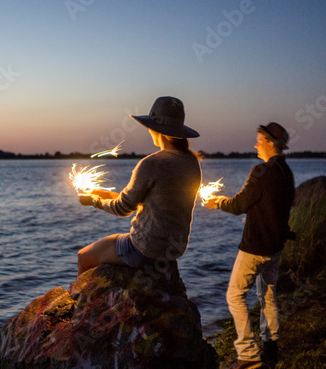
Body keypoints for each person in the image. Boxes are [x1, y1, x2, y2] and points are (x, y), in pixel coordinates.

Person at [77, 96, 201, 276]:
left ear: (158, 130)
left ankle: (81, 302)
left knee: (83, 256)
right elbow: (150, 201)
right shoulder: (191, 162)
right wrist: (103, 194)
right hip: (174, 250)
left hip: (144, 250)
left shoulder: (152, 163)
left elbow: (123, 209)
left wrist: (95, 201)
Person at [205, 122, 295, 369]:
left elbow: (238, 205)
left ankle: (247, 354)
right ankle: (271, 347)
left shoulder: (261, 172)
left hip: (255, 248)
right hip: (276, 247)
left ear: (270, 142)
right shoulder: (286, 172)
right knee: (267, 295)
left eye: (258, 140)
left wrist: (217, 202)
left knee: (234, 295)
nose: (255, 144)